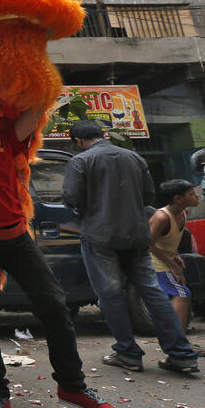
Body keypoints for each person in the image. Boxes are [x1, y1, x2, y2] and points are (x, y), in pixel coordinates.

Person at [0, 81, 126, 408]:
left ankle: (71, 385)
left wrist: (33, 55)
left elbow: (39, 102)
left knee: (55, 306)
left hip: (17, 237)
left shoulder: (6, 137)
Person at [63, 120, 199, 375]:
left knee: (111, 295)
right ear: (102, 135)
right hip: (136, 235)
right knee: (153, 292)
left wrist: (89, 211)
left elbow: (71, 198)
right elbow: (149, 196)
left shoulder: (80, 161)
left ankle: (128, 353)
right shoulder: (134, 158)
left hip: (100, 237)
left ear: (79, 141)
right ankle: (181, 355)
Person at [150, 179, 199, 334]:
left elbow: (168, 240)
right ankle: (178, 341)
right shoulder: (162, 217)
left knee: (181, 294)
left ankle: (180, 340)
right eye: (191, 194)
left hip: (165, 260)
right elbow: (149, 244)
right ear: (178, 199)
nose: (196, 196)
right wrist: (172, 264)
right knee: (182, 293)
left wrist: (176, 255)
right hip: (154, 263)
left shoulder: (183, 212)